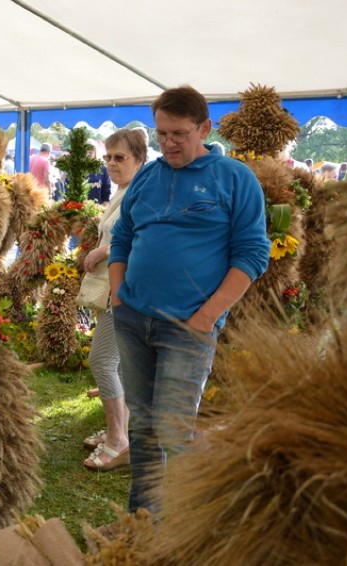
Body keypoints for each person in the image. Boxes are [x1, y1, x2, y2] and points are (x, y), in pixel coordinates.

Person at [109, 86, 269, 515]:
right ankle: (143, 523)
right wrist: (118, 294)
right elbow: (122, 236)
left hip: (187, 327)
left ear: (204, 128)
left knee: (175, 432)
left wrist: (207, 317)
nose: (169, 143)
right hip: (132, 318)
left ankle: (191, 527)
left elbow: (253, 254)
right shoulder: (148, 174)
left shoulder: (234, 178)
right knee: (142, 426)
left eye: (179, 133)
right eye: (162, 133)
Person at [80, 129, 146, 472]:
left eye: (119, 158)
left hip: (120, 292)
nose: (111, 163)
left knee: (102, 361)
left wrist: (102, 249)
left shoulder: (137, 192)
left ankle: (119, 439)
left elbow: (135, 236)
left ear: (139, 158)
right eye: (107, 157)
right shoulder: (122, 190)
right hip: (114, 288)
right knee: (118, 363)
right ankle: (118, 430)